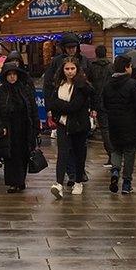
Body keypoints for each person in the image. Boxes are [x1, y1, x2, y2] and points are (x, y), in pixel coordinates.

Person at [47, 56, 96, 199]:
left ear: (77, 69)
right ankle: (58, 184)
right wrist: (58, 107)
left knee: (79, 153)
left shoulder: (82, 85)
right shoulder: (59, 84)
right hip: (62, 124)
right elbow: (52, 102)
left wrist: (58, 105)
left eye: (72, 68)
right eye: (67, 69)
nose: (69, 72)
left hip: (79, 124)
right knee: (62, 153)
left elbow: (74, 106)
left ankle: (78, 181)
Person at [0, 61, 38, 193]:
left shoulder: (25, 90)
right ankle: (12, 182)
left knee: (24, 154)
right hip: (8, 128)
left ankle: (21, 181)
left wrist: (35, 128)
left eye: (14, 74)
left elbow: (33, 109)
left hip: (24, 127)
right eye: (9, 74)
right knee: (10, 156)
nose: (12, 77)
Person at [102, 54, 136, 195]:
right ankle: (126, 183)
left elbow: (105, 104)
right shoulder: (132, 84)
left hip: (114, 122)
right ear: (126, 68)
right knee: (130, 152)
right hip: (130, 123)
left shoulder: (108, 85)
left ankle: (115, 171)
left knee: (116, 150)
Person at [41, 32, 91, 104]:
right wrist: (49, 106)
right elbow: (48, 84)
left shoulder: (84, 60)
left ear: (77, 47)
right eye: (68, 47)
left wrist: (93, 106)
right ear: (64, 48)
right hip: (61, 98)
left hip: (82, 100)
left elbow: (92, 82)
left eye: (73, 47)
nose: (71, 50)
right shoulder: (56, 61)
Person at [88, 45, 113, 167]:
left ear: (96, 54)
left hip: (98, 101)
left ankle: (111, 154)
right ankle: (115, 154)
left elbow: (90, 84)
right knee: (112, 128)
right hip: (112, 101)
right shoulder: (112, 66)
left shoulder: (92, 67)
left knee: (105, 129)